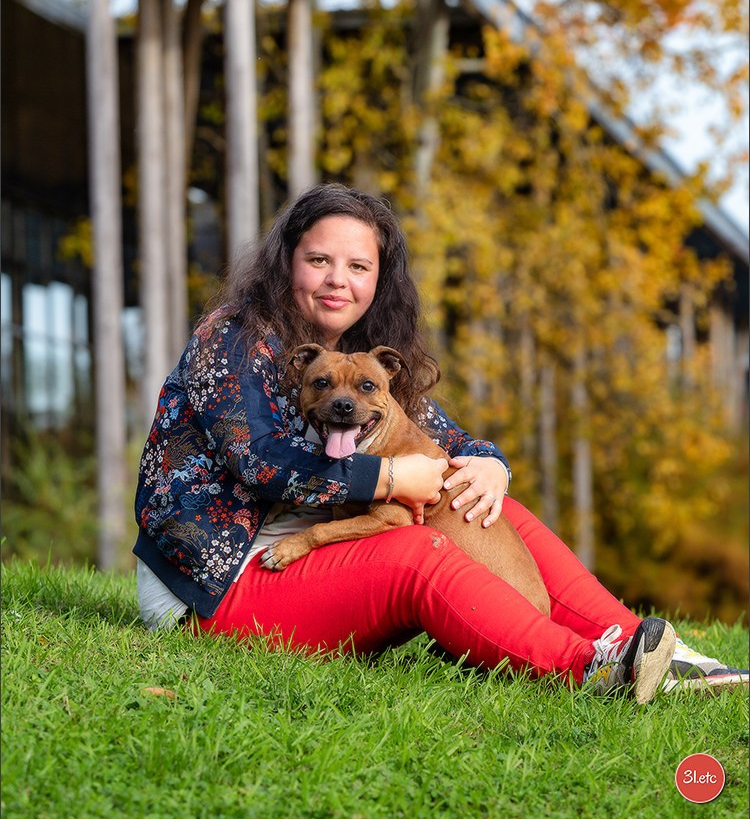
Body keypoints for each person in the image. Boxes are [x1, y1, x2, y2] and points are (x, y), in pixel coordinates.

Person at [133, 183, 748, 701]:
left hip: (296, 561)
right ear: (286, 260)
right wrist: (393, 480)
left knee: (484, 507)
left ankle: (658, 652)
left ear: (379, 278)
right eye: (319, 260)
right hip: (213, 588)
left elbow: (443, 436)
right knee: (418, 551)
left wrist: (489, 467)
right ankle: (590, 669)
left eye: (358, 266)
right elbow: (260, 462)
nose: (337, 280)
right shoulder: (236, 337)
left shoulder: (357, 361)